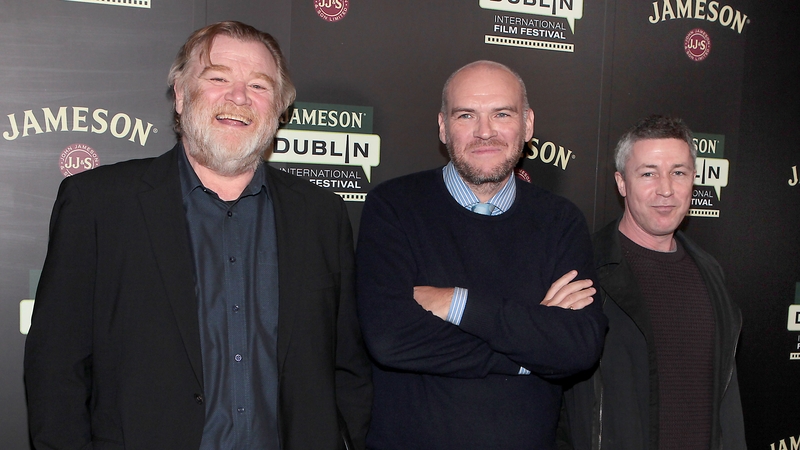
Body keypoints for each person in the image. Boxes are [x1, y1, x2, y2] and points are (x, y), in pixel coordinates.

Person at [24, 21, 372, 450]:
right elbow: (56, 366)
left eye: (259, 86)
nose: (239, 97)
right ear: (181, 94)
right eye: (218, 78)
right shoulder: (98, 204)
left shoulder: (321, 214)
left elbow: (347, 365)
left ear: (280, 108)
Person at [356, 60, 607, 450]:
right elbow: (390, 339)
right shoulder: (393, 207)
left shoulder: (561, 220)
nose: (484, 131)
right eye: (466, 115)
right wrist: (532, 348)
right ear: (443, 127)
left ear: (527, 124)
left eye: (502, 114)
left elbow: (578, 347)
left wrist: (458, 303)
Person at [560, 115, 746, 449]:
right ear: (621, 183)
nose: (666, 189)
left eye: (678, 173)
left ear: (694, 180)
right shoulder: (583, 270)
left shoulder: (711, 274)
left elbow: (726, 408)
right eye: (648, 173)